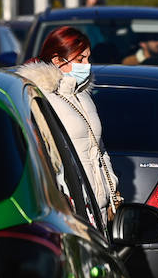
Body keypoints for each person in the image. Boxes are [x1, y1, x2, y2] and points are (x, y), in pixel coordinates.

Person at [16, 26, 119, 228]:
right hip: (72, 208)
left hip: (98, 206)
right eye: (80, 60)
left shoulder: (83, 95)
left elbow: (99, 149)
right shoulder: (42, 97)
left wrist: (111, 189)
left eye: (88, 58)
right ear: (57, 60)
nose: (87, 66)